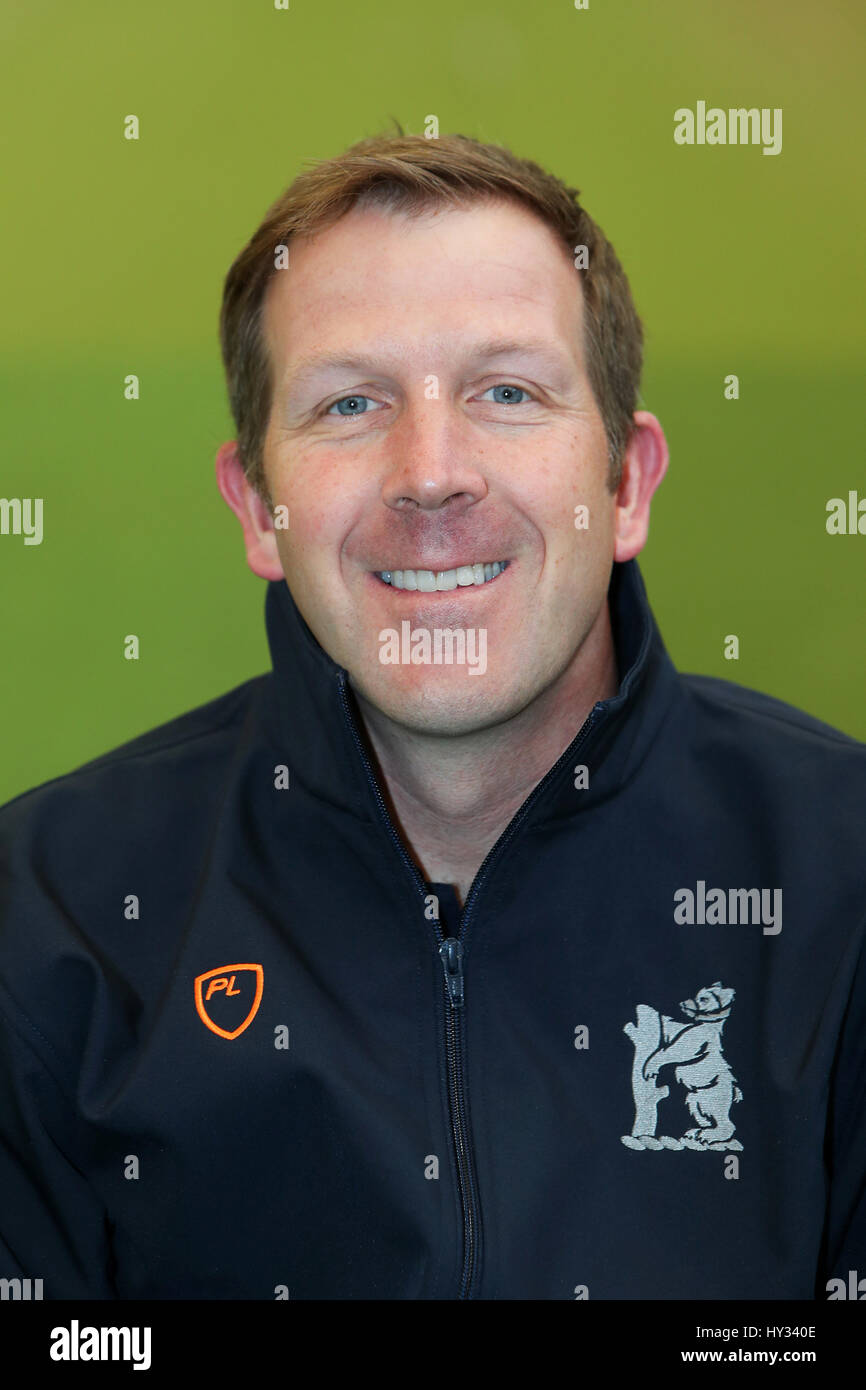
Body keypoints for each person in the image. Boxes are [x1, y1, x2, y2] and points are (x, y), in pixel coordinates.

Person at [0, 132, 863, 1301]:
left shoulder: (839, 878)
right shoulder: (48, 916)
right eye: (350, 403)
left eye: (505, 391)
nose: (429, 471)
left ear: (625, 484)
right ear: (258, 507)